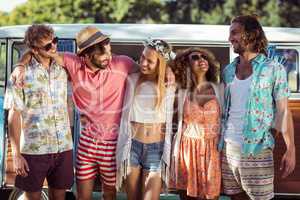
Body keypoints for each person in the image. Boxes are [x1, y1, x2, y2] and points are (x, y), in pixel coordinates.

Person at [14, 26, 138, 200]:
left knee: (109, 193)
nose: (108, 60)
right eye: (102, 57)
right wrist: (20, 64)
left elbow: (149, 72)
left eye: (109, 54)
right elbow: (39, 52)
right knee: (82, 195)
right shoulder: (73, 63)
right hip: (86, 143)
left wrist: (168, 72)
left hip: (113, 143)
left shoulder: (122, 63)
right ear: (85, 56)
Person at [220, 15, 296, 200]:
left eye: (235, 33)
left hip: (257, 149)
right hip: (228, 149)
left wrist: (291, 148)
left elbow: (283, 111)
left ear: (252, 34)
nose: (230, 38)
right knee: (235, 197)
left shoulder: (273, 69)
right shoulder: (228, 71)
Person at [4, 24, 73, 200]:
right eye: (48, 46)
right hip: (35, 150)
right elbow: (14, 114)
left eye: (55, 41)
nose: (54, 47)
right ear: (34, 49)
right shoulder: (20, 74)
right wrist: (17, 154)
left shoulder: (62, 69)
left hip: (63, 147)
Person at [116, 39, 175, 200]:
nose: (143, 62)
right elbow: (112, 61)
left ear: (161, 63)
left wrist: (168, 69)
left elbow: (186, 61)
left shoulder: (169, 84)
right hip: (132, 147)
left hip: (156, 150)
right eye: (142, 57)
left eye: (150, 61)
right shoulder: (132, 79)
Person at [169, 48, 222, 200]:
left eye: (204, 57)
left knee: (211, 196)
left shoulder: (219, 89)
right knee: (187, 196)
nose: (202, 59)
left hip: (212, 151)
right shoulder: (180, 91)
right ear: (186, 65)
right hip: (187, 151)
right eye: (195, 57)